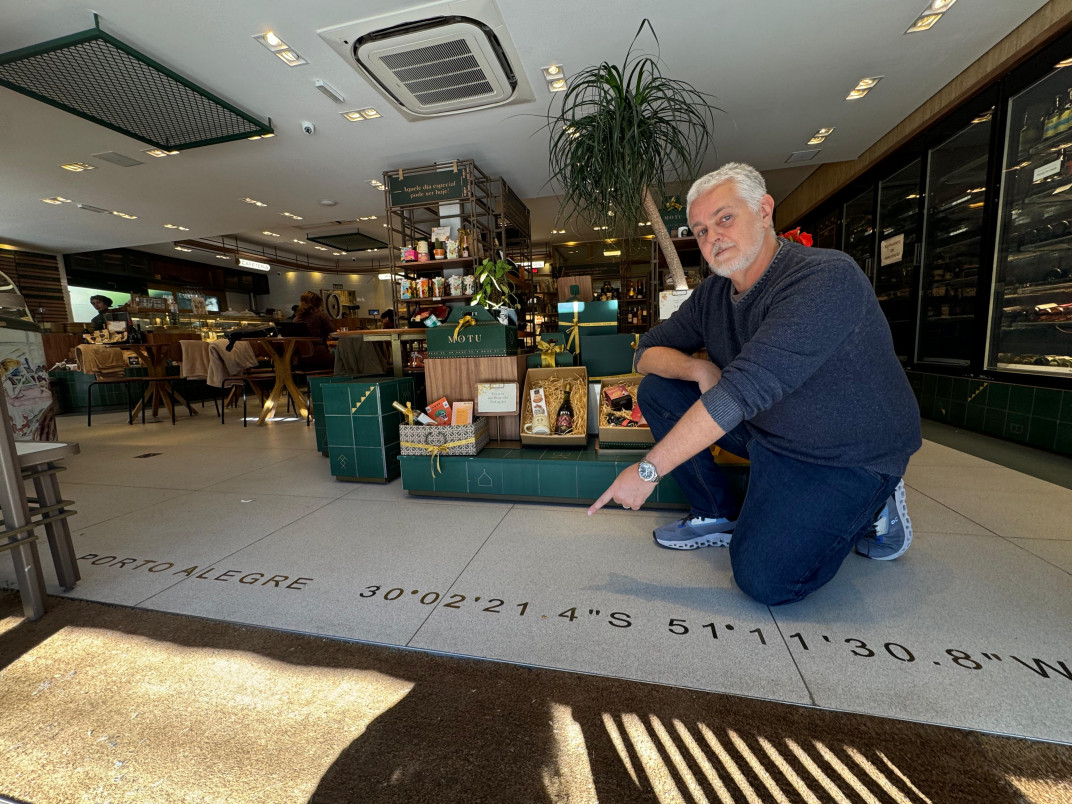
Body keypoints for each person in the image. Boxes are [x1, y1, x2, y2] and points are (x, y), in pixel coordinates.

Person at [589, 162, 922, 606]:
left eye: (725, 218)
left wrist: (648, 470)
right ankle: (715, 511)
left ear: (764, 210)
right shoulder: (713, 294)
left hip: (843, 452)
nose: (712, 239)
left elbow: (740, 392)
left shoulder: (824, 278)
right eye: (701, 230)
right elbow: (646, 352)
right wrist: (699, 370)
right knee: (659, 391)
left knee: (766, 581)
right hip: (770, 433)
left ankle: (876, 500)